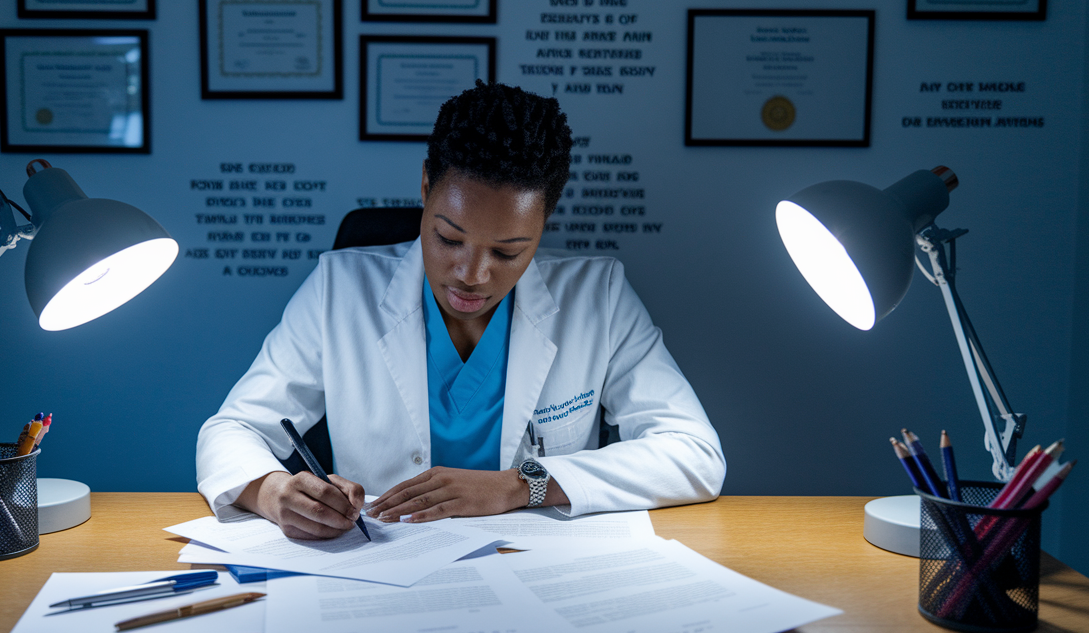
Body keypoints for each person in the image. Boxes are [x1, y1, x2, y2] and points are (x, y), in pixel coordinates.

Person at [197, 81, 725, 540]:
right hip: (381, 570)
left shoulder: (598, 296)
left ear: (545, 221)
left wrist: (522, 486)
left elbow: (694, 454)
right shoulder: (340, 290)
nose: (472, 274)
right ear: (426, 186)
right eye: (449, 239)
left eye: (507, 252)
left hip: (538, 570)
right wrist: (274, 494)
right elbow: (232, 429)